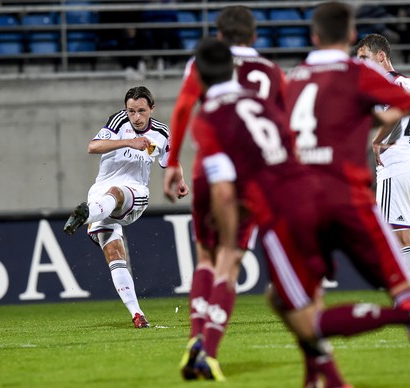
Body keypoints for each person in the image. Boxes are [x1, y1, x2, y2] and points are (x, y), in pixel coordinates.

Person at [191, 36, 410, 386]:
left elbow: (225, 190)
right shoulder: (273, 93)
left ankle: (404, 318)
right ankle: (326, 377)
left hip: (288, 210)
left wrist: (230, 229)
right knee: (296, 298)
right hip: (332, 192)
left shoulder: (214, 115)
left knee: (296, 309)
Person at [162, 6, 286, 380]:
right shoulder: (271, 71)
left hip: (206, 169)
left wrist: (172, 162)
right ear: (254, 36)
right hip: (250, 175)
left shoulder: (201, 62)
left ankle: (195, 336)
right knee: (229, 261)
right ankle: (209, 351)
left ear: (218, 36)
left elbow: (184, 106)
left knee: (205, 256)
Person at [63, 86, 189, 328]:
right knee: (115, 256)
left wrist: (180, 181)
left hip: (135, 193)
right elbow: (93, 146)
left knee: (117, 193)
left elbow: (171, 161)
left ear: (152, 109)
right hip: (100, 194)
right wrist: (130, 142)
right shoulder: (119, 122)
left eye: (141, 111)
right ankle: (137, 314)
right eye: (131, 111)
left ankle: (86, 214)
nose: (136, 116)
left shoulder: (161, 133)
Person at [355, 33, 410, 293]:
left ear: (381, 56)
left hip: (396, 164)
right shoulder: (409, 83)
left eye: (365, 58)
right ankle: (409, 297)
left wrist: (377, 141)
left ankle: (409, 299)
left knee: (398, 236)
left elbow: (397, 113)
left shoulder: (389, 84)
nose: (361, 64)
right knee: (401, 233)